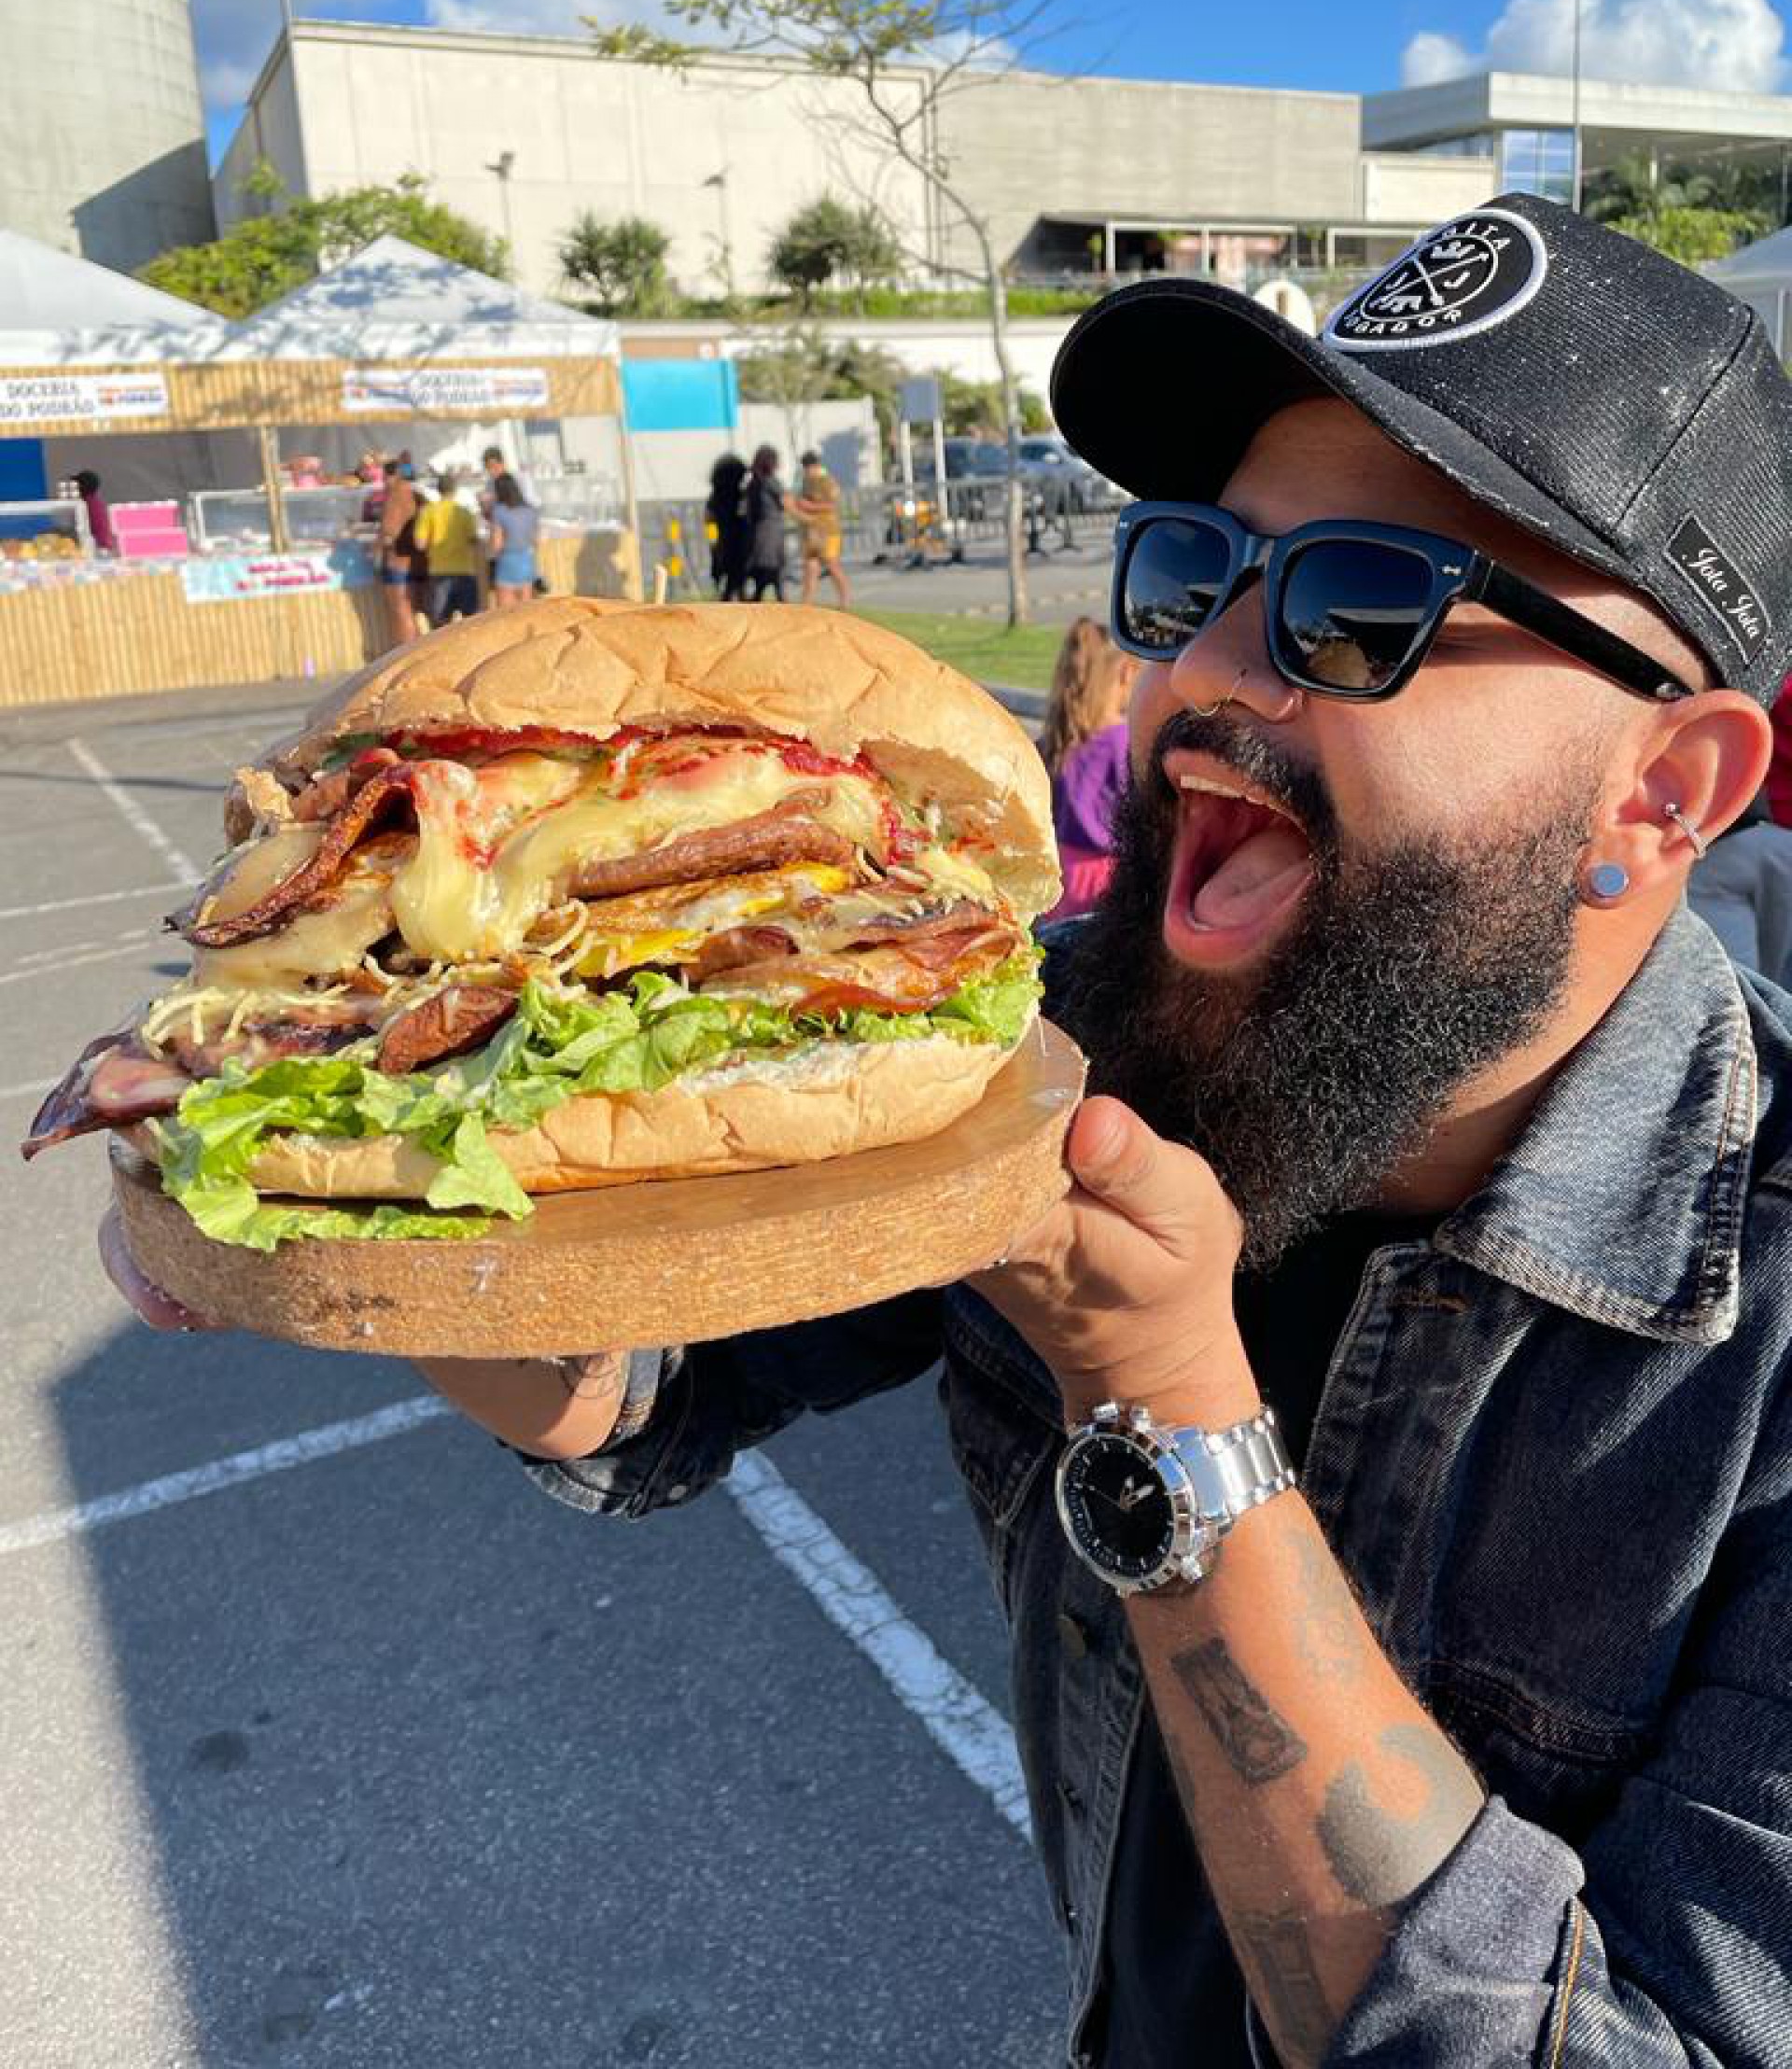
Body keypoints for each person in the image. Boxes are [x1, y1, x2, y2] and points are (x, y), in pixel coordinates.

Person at [102, 198, 1792, 2068]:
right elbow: (645, 1384)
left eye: (1361, 604)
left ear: (1659, 792)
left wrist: (1171, 1402)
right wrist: (358, 1186)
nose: (1211, 671)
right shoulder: (1040, 1035)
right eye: (1192, 570)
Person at [1037, 617, 1137, 921]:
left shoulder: (1054, 740)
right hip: (1107, 884)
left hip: (1057, 879)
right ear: (1126, 674)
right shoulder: (1124, 744)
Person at [413, 471, 482, 626]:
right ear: (455, 490)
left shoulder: (428, 511)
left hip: (439, 571)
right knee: (471, 623)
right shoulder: (464, 512)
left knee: (440, 624)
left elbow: (420, 544)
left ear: (438, 490)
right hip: (464, 570)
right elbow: (474, 540)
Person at [791, 447, 850, 608]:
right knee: (811, 567)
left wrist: (808, 506)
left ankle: (844, 601)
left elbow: (832, 505)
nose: (806, 471)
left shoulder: (826, 480)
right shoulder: (806, 481)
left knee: (832, 565)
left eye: (807, 468)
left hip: (828, 530)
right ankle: (806, 603)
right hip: (811, 531)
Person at [375, 456, 424, 646]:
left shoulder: (395, 495)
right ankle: (417, 653)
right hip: (416, 560)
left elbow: (389, 532)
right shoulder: (415, 493)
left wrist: (376, 548)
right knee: (411, 610)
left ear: (389, 476)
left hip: (398, 561)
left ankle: (408, 656)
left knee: (401, 610)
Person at [487, 470, 540, 609]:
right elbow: (536, 541)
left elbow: (496, 545)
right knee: (525, 613)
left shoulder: (499, 511)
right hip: (527, 561)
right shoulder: (530, 510)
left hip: (508, 562)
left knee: (505, 615)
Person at [743, 443, 787, 603]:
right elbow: (786, 502)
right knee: (772, 568)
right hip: (770, 530)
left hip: (757, 530)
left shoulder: (754, 482)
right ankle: (779, 601)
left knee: (763, 569)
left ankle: (759, 599)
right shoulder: (770, 482)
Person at [705, 452, 750, 601]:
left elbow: (709, 520)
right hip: (736, 540)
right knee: (736, 576)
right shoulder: (740, 495)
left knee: (727, 576)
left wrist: (713, 541)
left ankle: (728, 597)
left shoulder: (715, 496)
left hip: (723, 540)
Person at [73, 469, 117, 556]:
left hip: (98, 549)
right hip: (103, 547)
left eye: (76, 485)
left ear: (82, 486)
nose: (75, 488)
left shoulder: (86, 504)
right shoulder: (95, 502)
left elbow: (87, 528)